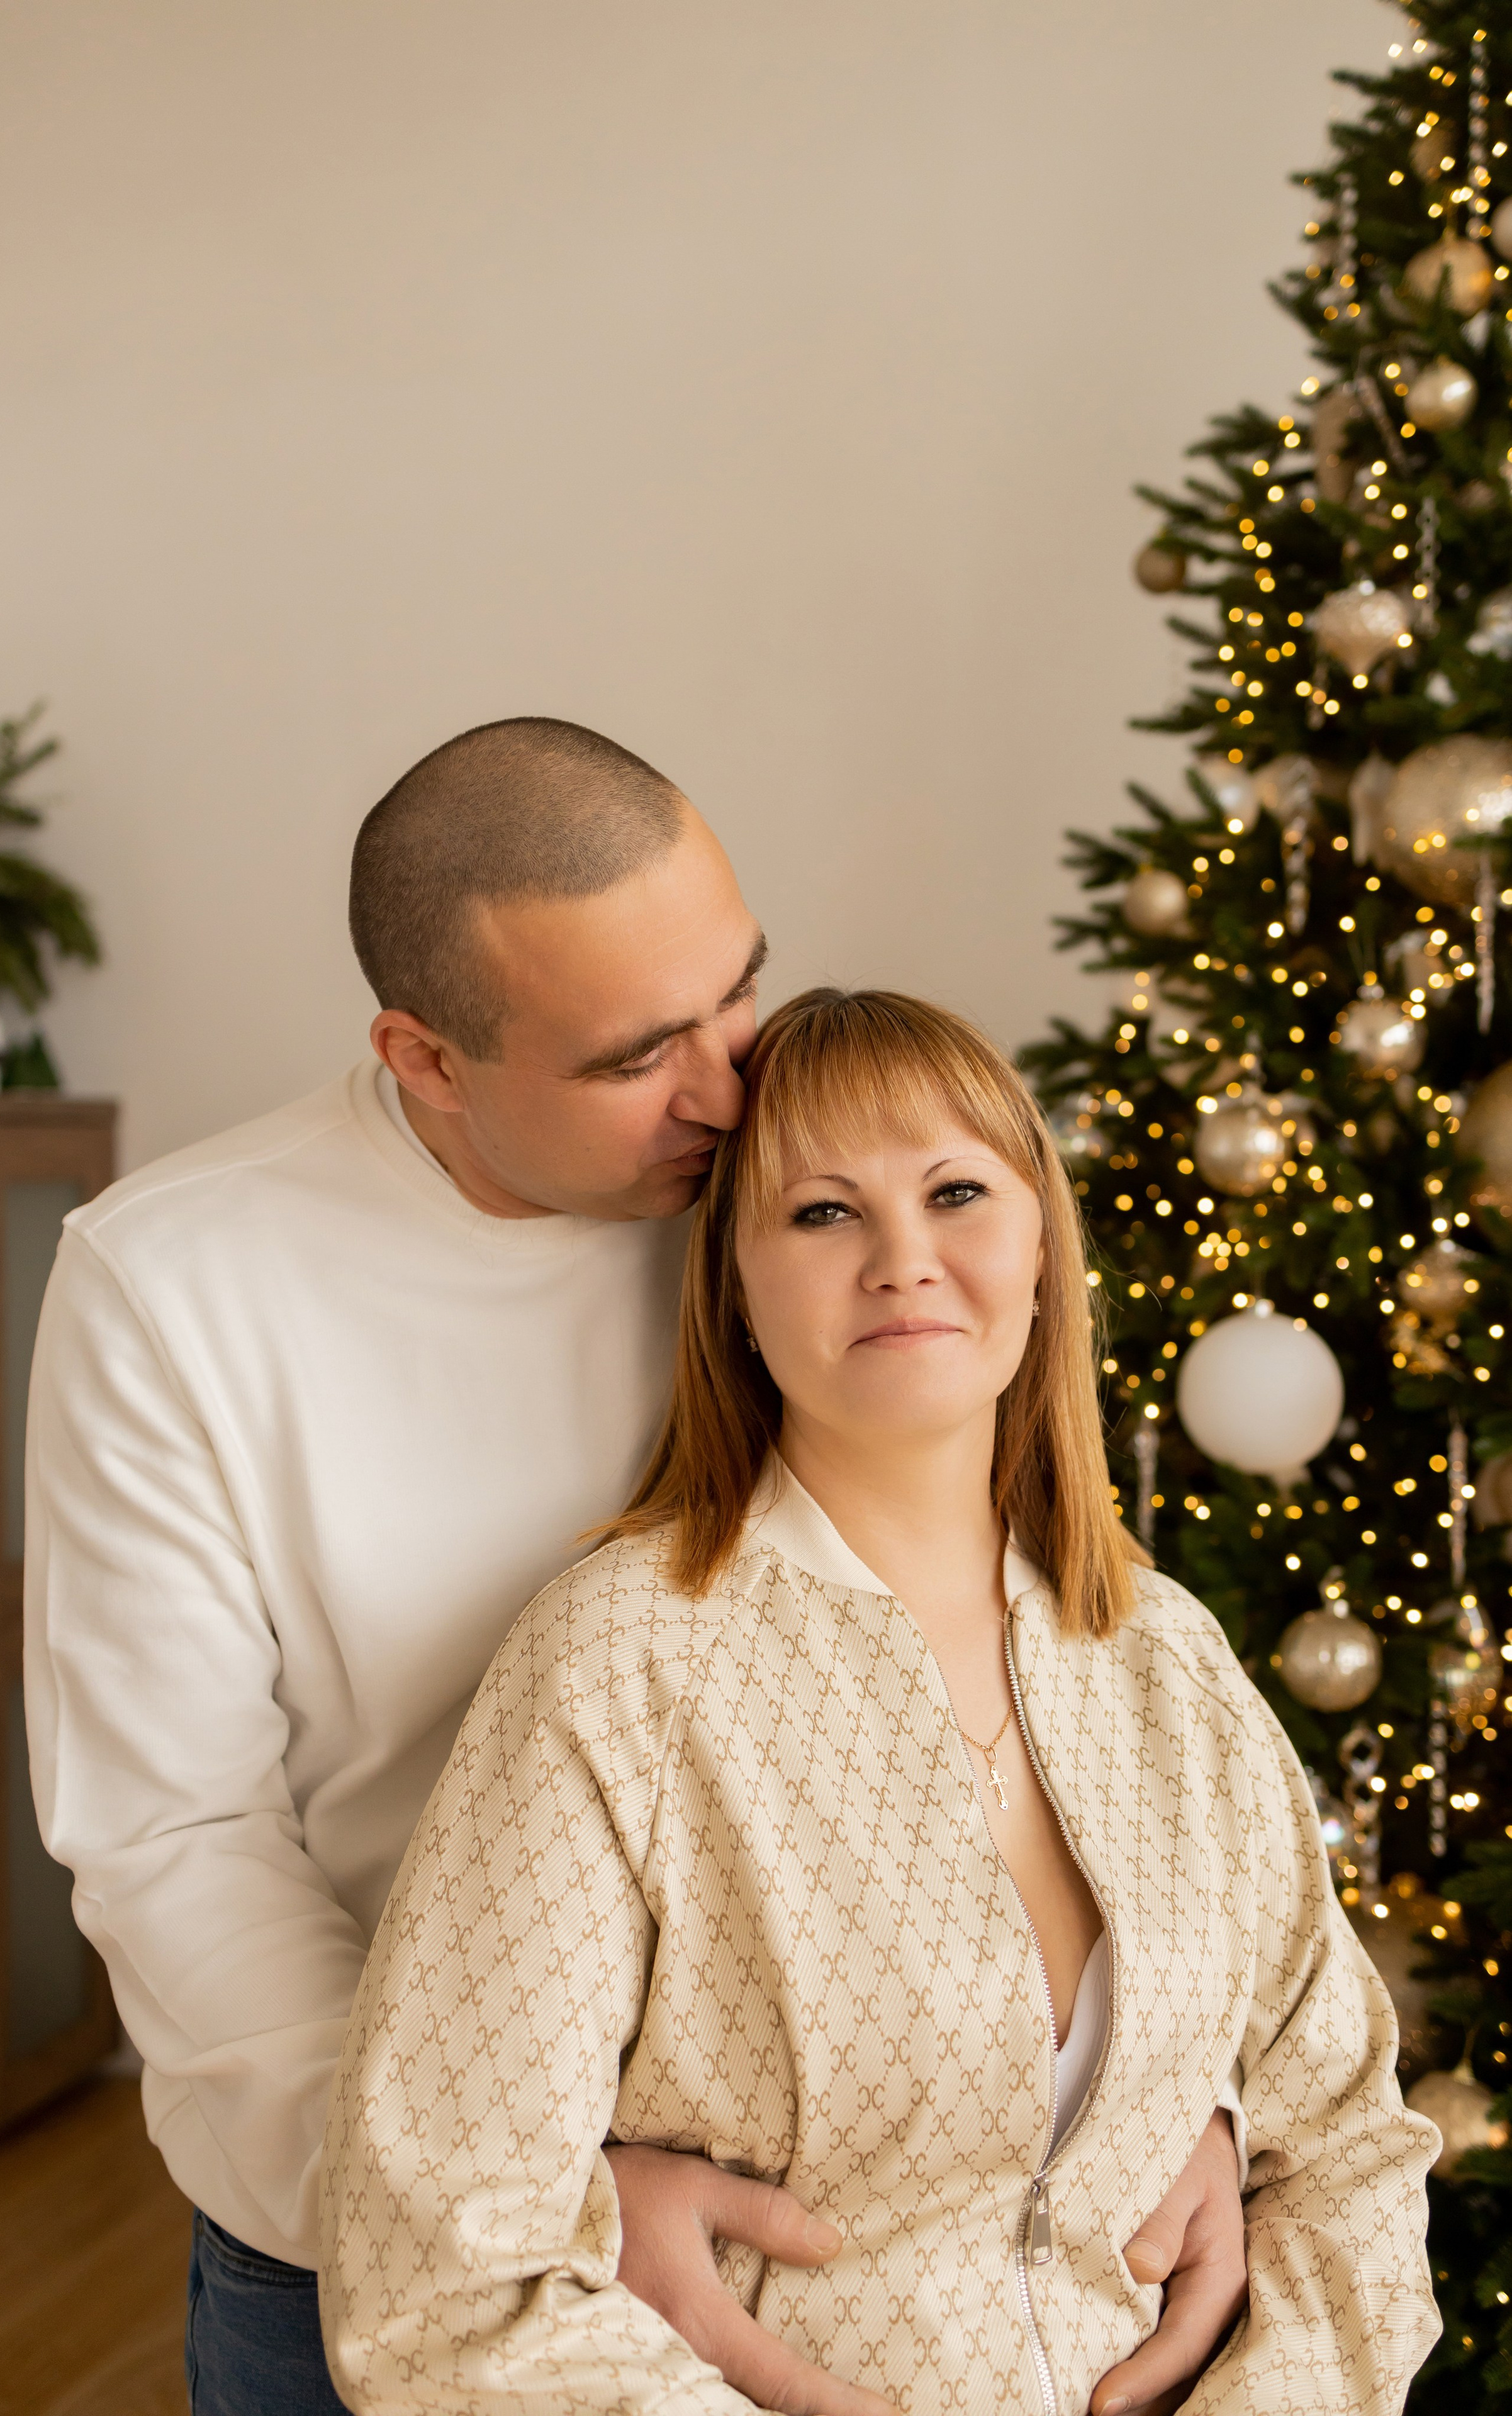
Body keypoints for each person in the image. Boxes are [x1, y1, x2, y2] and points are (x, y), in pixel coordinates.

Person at [27, 725, 1245, 2416]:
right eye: (636, 1055)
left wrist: (1149, 2088)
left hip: (842, 2217)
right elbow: (178, 1839)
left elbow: (1030, 1645)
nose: (733, 1088)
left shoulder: (789, 1196)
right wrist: (524, 2209)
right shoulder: (177, 1286)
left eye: (736, 994)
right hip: (381, 2238)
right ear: (427, 1057)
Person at [322, 986, 1440, 2416]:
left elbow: (1341, 2147)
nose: (903, 1259)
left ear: (1040, 1251)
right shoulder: (616, 1669)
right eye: (821, 1213)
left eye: (957, 1192)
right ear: (731, 1282)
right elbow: (439, 2291)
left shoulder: (1165, 1659)